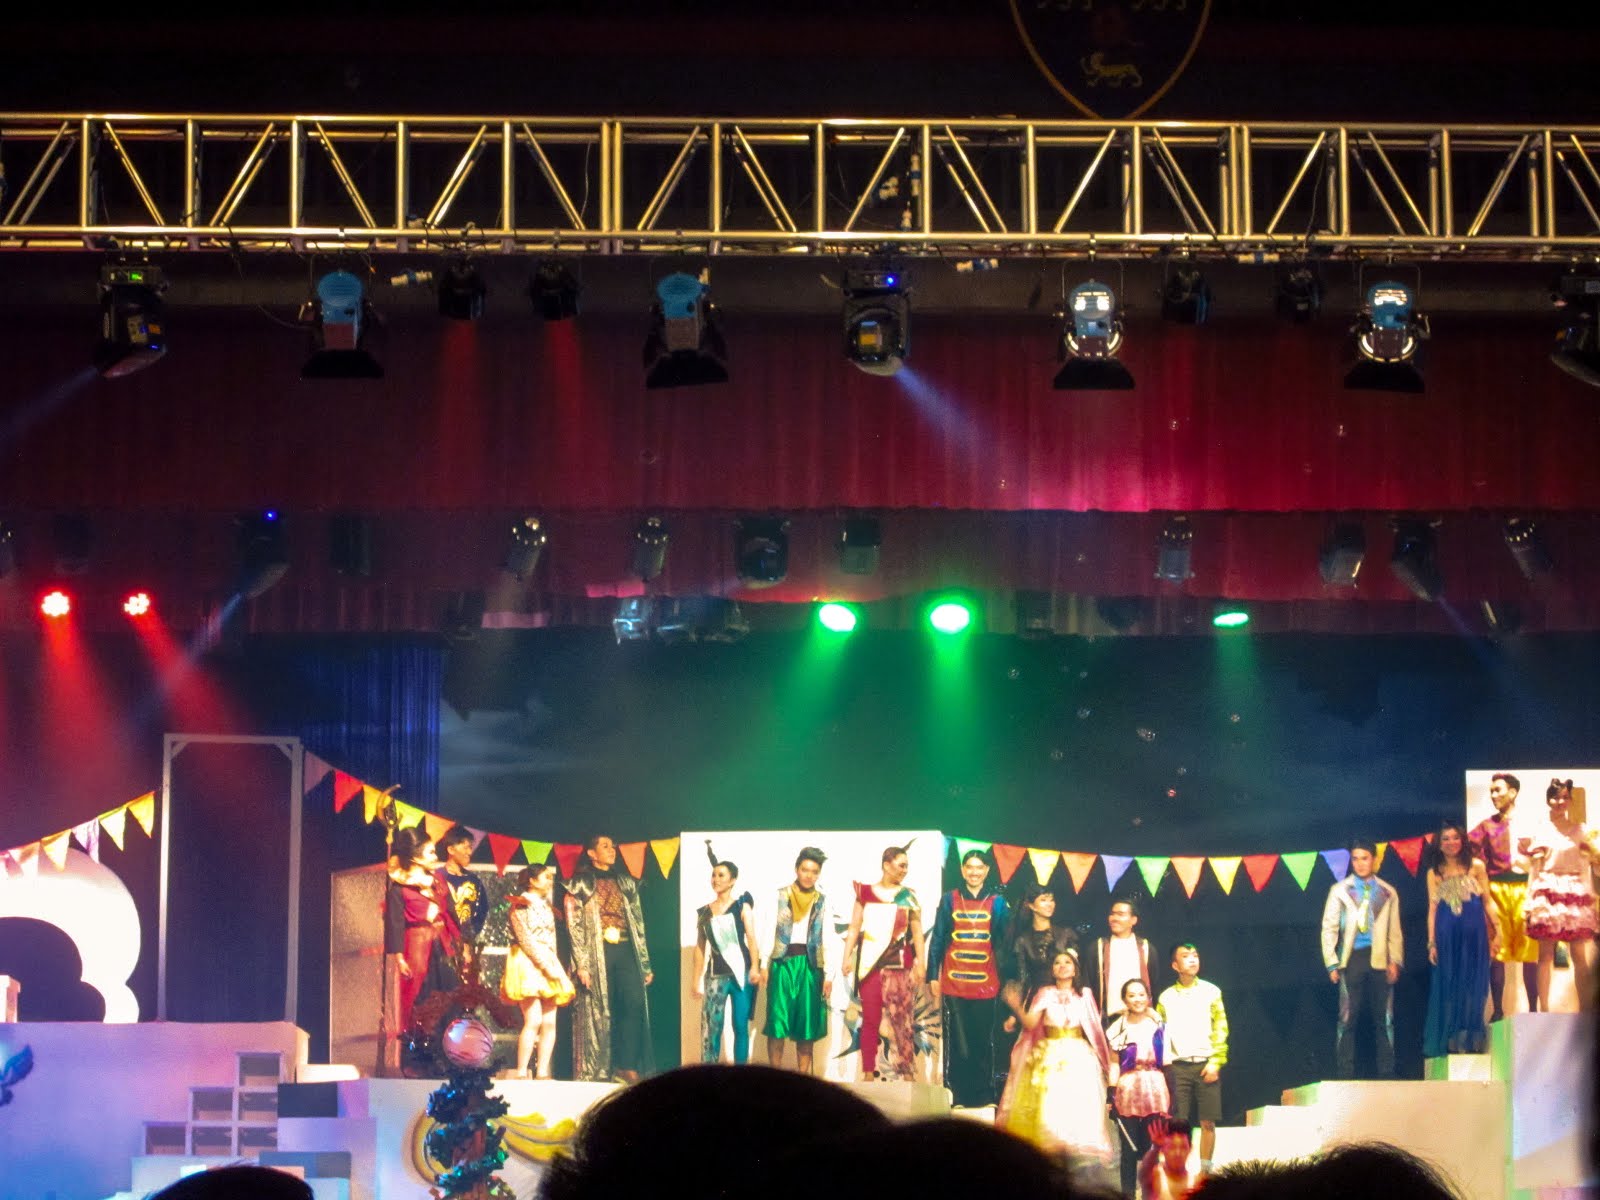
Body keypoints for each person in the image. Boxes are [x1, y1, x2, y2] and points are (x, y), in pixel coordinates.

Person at [997, 947, 1115, 1173]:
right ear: (1052, 970)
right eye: (1057, 963)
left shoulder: (1084, 994)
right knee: (1052, 1104)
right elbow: (1031, 1024)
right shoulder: (1045, 993)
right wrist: (1015, 1006)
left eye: (1067, 962)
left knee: (1079, 1101)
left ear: (1075, 969)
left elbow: (1094, 1029)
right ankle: (1052, 1155)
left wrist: (1105, 1062)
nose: (1062, 966)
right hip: (1050, 1054)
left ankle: (1076, 1154)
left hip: (1078, 1054)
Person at [564, 834, 653, 1083]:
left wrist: (644, 963)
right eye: (605, 846)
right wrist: (581, 963)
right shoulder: (580, 883)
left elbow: (638, 921)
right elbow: (574, 925)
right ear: (591, 853)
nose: (612, 850)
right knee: (599, 1007)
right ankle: (598, 1067)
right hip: (597, 950)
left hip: (625, 948)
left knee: (633, 1002)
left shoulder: (625, 881)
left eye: (613, 846)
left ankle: (626, 1065)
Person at [927, 848, 1010, 1107]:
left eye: (979, 867)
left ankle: (984, 1096)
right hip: (954, 984)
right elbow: (938, 938)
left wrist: (1009, 979)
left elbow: (1005, 943)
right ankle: (959, 1095)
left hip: (986, 983)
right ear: (963, 870)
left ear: (986, 871)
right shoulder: (949, 899)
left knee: (983, 1041)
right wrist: (932, 975)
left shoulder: (997, 902)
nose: (974, 872)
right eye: (970, 867)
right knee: (958, 1043)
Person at [840, 843, 927, 1081]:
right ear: (886, 865)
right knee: (870, 1020)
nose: (905, 870)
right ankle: (868, 1072)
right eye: (901, 865)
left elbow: (917, 932)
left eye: (907, 866)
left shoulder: (908, 896)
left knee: (902, 1022)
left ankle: (907, 1073)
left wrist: (921, 962)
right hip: (871, 967)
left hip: (900, 967)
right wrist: (846, 956)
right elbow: (854, 927)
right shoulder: (865, 893)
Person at [1320, 838, 1402, 1079]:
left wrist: (1395, 960)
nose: (1360, 863)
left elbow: (1395, 931)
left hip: (1379, 958)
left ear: (1374, 859)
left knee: (1384, 1018)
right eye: (1355, 859)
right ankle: (1345, 1072)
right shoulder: (1340, 890)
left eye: (1364, 858)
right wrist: (1331, 962)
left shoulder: (1388, 892)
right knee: (1347, 1017)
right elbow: (1329, 927)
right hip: (1352, 958)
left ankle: (1387, 1072)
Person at [1422, 821, 1498, 1058]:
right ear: (1439, 844)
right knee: (1449, 984)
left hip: (1474, 935)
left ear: (1463, 840)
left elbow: (1488, 902)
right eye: (1445, 839)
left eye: (1455, 837)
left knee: (1473, 984)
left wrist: (1499, 929)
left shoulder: (1476, 866)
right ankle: (1451, 1039)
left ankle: (1471, 1037)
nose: (1451, 843)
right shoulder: (1434, 873)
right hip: (1447, 935)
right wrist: (1431, 943)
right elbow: (1432, 910)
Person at [1523, 778, 1599, 1012]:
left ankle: (1585, 1009)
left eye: (1565, 797)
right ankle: (1544, 1009)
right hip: (1547, 892)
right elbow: (1534, 870)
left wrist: (1591, 897)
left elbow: (1590, 866)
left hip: (1575, 892)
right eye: (1556, 797)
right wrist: (1529, 902)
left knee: (1579, 955)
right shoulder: (1541, 830)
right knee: (1545, 955)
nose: (1560, 801)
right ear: (1548, 800)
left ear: (1570, 800)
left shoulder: (1582, 831)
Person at [1470, 772, 1540, 1018]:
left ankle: (1534, 1010)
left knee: (1530, 952)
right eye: (1491, 791)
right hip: (1497, 890)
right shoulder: (1486, 826)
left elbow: (1543, 854)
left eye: (1498, 790)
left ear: (1513, 792)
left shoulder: (1531, 822)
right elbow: (1467, 849)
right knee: (1496, 952)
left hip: (1525, 888)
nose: (1493, 795)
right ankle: (1498, 1011)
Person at [383, 827, 462, 1042]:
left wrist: (462, 944)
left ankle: (449, 1045)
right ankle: (420, 1045)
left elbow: (451, 914)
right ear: (416, 858)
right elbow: (395, 924)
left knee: (450, 992)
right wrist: (399, 958)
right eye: (431, 853)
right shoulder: (399, 889)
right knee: (421, 995)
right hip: (417, 947)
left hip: (442, 945)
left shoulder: (437, 882)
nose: (436, 857)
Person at [1156, 941, 1227, 1178]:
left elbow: (1221, 1028)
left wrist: (1216, 1061)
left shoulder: (1211, 991)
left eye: (1195, 955)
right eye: (1186, 956)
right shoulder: (1166, 997)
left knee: (1208, 1121)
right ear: (1175, 965)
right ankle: (1178, 1169)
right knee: (1178, 1123)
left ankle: (1205, 1171)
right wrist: (1165, 1067)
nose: (1193, 959)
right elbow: (1160, 1035)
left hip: (1206, 1063)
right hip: (1178, 1066)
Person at [692, 842, 764, 1064]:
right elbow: (700, 947)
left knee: (740, 1026)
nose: (716, 879)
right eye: (713, 875)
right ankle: (709, 1073)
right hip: (715, 975)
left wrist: (755, 967)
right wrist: (695, 979)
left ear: (733, 880)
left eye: (721, 875)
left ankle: (740, 1074)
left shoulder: (742, 906)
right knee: (711, 1027)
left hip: (741, 974)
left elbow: (751, 939)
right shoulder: (704, 912)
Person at [502, 862, 575, 1079]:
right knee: (533, 1020)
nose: (550, 881)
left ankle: (543, 1071)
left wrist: (554, 965)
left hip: (548, 960)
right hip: (528, 962)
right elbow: (526, 940)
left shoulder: (546, 906)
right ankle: (522, 1071)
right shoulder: (521, 905)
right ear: (532, 881)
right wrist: (545, 965)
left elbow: (551, 939)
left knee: (550, 1021)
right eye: (546, 877)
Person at [765, 846, 832, 1074]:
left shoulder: (822, 901)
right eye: (805, 870)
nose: (809, 875)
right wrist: (763, 963)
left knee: (806, 1027)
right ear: (796, 869)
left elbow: (828, 938)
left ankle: (803, 1081)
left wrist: (829, 975)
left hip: (810, 966)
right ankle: (775, 1078)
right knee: (777, 1023)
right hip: (782, 963)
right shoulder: (780, 895)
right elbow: (768, 929)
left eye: (814, 871)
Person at [1106, 977, 1170, 1197]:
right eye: (1132, 995)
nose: (1137, 999)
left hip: (1154, 1087)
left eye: (1141, 994)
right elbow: (1114, 1064)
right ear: (1124, 1000)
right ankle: (1127, 1194)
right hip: (1128, 1089)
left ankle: (1150, 1194)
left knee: (1152, 1147)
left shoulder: (1157, 1025)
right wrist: (1111, 1094)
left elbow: (1167, 1061)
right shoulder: (1117, 1028)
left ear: (1149, 998)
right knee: (1129, 1148)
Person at [1007, 883, 1080, 999]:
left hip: (1065, 998)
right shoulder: (1023, 940)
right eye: (1043, 900)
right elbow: (1022, 979)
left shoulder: (1066, 934)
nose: (1049, 904)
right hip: (1036, 998)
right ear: (1031, 905)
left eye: (1052, 900)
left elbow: (1078, 973)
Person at [435, 825, 487, 979]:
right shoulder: (437, 878)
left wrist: (469, 937)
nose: (469, 852)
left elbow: (482, 910)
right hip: (442, 945)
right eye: (465, 847)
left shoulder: (474, 880)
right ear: (451, 849)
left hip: (467, 946)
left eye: (470, 847)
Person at [1092, 897, 1152, 1022]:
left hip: (1139, 1018)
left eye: (1120, 914)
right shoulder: (1098, 948)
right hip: (1107, 1019)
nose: (1114, 918)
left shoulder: (1145, 948)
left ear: (1133, 920)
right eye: (1112, 914)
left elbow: (1154, 985)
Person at [1139, 1119, 1199, 1200]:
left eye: (1183, 1147)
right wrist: (1156, 1147)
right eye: (1172, 1147)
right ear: (1162, 1149)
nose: (1178, 1153)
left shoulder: (1197, 1183)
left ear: (1190, 1148)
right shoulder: (1154, 1176)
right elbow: (1144, 1172)